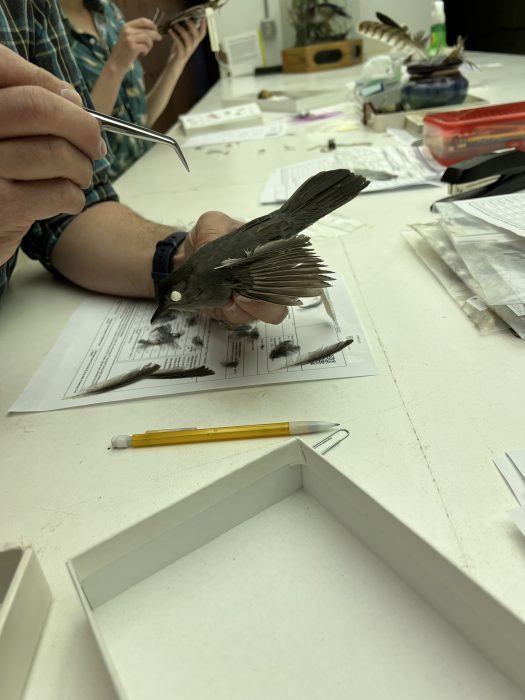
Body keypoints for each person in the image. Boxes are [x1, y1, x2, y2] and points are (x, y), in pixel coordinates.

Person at [0, 1, 286, 329]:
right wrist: (116, 66)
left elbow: (64, 210)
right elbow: (84, 140)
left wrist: (182, 259)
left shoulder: (56, 9)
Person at [58, 0, 207, 179]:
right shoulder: (48, 30)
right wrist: (116, 65)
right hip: (108, 189)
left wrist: (177, 62)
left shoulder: (109, 12)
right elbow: (78, 139)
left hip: (148, 173)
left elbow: (141, 121)